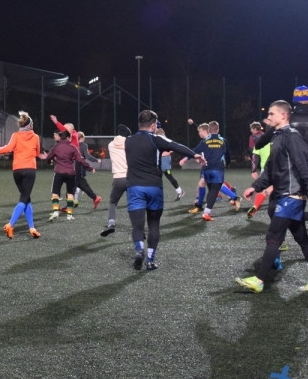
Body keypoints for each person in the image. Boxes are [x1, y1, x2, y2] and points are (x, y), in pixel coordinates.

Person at [237, 100, 308, 293]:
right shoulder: (278, 136)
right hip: (284, 194)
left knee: (274, 235)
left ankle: (259, 280)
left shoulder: (292, 137)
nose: (268, 118)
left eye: (271, 114)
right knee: (302, 237)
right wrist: (256, 187)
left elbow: (304, 165)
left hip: (291, 195)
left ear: (283, 116)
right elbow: (271, 168)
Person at [254, 85, 308, 262]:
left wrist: (271, 130)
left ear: (293, 100)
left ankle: (276, 253)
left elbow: (259, 144)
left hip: (288, 175)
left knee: (276, 210)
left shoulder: (285, 120)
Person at [125, 110, 206, 270]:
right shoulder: (156, 139)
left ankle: (139, 249)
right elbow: (176, 146)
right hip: (154, 187)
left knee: (137, 226)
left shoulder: (128, 141)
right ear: (153, 125)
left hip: (134, 187)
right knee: (154, 224)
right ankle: (150, 260)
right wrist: (195, 155)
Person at [0, 112, 46, 239]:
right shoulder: (35, 137)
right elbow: (37, 153)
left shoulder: (16, 135)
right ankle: (10, 224)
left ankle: (32, 227)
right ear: (30, 126)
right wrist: (39, 155)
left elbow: (8, 148)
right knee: (24, 199)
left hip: (17, 170)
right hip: (30, 169)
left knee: (26, 198)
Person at [181, 121, 239, 221]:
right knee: (213, 188)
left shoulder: (205, 141)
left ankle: (203, 207)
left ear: (208, 130)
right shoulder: (223, 140)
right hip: (216, 168)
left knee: (211, 188)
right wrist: (228, 163)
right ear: (218, 130)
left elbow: (194, 151)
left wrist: (185, 158)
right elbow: (228, 154)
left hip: (208, 168)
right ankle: (233, 198)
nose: (199, 133)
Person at [49, 115, 102, 209]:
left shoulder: (73, 135)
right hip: (75, 163)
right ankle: (95, 197)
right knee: (80, 183)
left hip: (73, 163)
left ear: (70, 129)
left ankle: (69, 205)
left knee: (71, 184)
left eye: (65, 128)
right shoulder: (71, 136)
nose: (63, 130)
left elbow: (62, 129)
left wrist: (56, 122)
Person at [46, 129, 93, 220]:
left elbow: (48, 157)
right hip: (71, 172)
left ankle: (56, 212)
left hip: (59, 172)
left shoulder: (56, 147)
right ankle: (69, 215)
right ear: (68, 137)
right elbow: (80, 160)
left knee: (55, 192)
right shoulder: (73, 147)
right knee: (70, 193)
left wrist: (49, 161)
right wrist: (89, 168)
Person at [101, 124, 132, 237]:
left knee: (113, 202)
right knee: (134, 203)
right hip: (130, 177)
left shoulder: (111, 144)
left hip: (118, 178)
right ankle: (138, 228)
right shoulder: (130, 143)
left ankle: (111, 224)